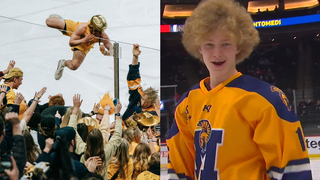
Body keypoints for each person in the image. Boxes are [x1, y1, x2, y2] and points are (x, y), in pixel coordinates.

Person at [166, 0, 312, 179]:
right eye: (209, 44)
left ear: (239, 46)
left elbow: (292, 170)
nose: (217, 53)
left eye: (226, 43)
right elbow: (180, 169)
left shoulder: (265, 99)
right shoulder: (187, 103)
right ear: (198, 47)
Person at [45, 14, 113, 80]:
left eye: (102, 31)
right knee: (48, 22)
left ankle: (63, 63)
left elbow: (113, 51)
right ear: (93, 29)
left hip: (84, 45)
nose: (101, 33)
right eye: (99, 31)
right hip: (75, 30)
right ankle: (61, 21)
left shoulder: (103, 36)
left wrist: (105, 52)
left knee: (74, 66)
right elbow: (71, 42)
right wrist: (85, 39)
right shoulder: (82, 28)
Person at [122, 44, 160, 131]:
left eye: (146, 102)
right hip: (123, 128)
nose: (142, 103)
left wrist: (131, 123)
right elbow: (133, 77)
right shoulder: (137, 95)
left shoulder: (152, 114)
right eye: (143, 99)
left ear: (151, 103)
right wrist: (135, 57)